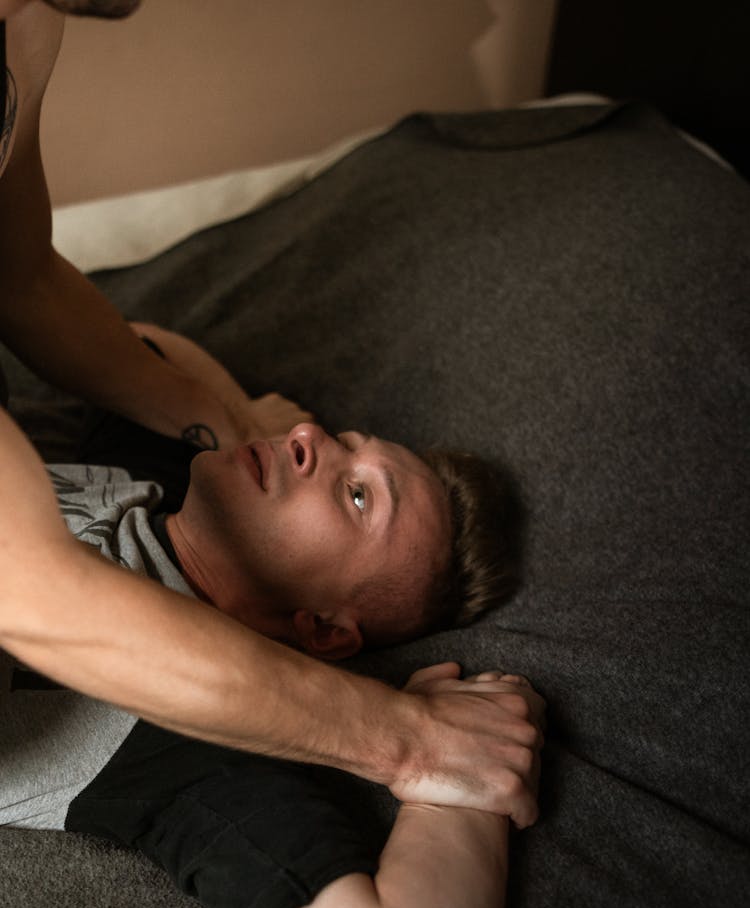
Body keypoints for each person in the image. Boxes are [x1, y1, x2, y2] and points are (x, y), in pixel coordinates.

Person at [1, 0, 538, 820]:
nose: (312, 439)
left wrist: (230, 421)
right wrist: (412, 739)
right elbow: (33, 593)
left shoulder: (27, 20)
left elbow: (22, 277)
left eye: (355, 487)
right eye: (358, 485)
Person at [3, 320, 545, 908]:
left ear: (322, 629)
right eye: (339, 439)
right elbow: (137, 342)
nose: (310, 438)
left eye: (357, 496)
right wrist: (239, 411)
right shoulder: (162, 481)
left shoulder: (196, 747)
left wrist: (456, 775)